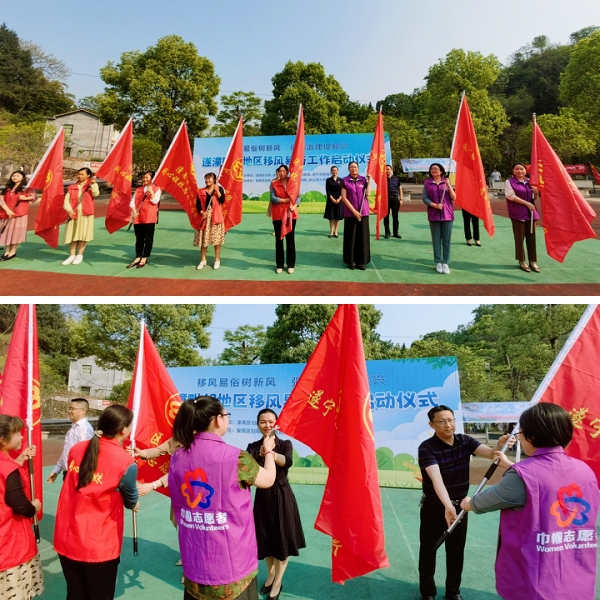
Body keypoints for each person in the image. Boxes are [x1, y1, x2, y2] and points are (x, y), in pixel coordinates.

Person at [461, 402, 599, 600]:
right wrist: (510, 466)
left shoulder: (522, 476)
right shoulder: (585, 470)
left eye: (520, 433)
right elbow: (545, 476)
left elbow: (481, 502)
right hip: (577, 579)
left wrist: (466, 503)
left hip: (537, 582)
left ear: (531, 437)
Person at [169, 396, 276, 600]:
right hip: (232, 569)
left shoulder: (178, 456)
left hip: (194, 564)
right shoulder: (236, 457)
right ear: (218, 419)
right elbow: (269, 479)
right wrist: (269, 450)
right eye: (226, 415)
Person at [418, 405, 512, 600]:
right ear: (431, 424)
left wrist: (499, 444)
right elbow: (436, 479)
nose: (448, 425)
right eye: (442, 421)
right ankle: (428, 593)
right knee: (429, 549)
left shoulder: (465, 441)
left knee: (456, 550)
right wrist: (447, 505)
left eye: (450, 420)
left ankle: (453, 592)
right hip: (435, 506)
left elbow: (491, 453)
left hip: (461, 506)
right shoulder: (427, 447)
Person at [53, 404, 139, 600]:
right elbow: (130, 498)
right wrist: (134, 503)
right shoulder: (125, 462)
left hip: (68, 536)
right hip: (98, 544)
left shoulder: (77, 449)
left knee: (75, 594)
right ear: (123, 429)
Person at [246, 410, 306, 600]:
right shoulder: (253, 447)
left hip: (282, 497)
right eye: (263, 422)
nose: (267, 425)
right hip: (262, 498)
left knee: (282, 541)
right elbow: (250, 470)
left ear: (277, 423)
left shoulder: (285, 444)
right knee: (265, 540)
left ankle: (278, 583)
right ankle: (271, 575)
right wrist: (262, 453)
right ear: (257, 424)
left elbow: (287, 461)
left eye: (271, 421)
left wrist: (270, 452)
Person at [0, 415, 44, 600]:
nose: (21, 437)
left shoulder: (7, 464)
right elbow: (20, 505)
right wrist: (33, 507)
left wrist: (18, 460)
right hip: (9, 542)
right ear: (3, 440)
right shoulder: (8, 469)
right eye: (17, 433)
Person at [47, 398, 94, 484]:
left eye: (72, 409)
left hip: (77, 475)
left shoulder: (85, 429)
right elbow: (66, 451)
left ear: (83, 411)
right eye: (69, 408)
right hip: (68, 473)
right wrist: (57, 470)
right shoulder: (72, 429)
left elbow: (86, 454)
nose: (69, 411)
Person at [505, 163, 540, 273]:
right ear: (513, 170)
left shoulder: (530, 182)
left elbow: (534, 198)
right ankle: (522, 261)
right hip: (518, 214)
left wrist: (536, 192)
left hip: (531, 214)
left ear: (525, 170)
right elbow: (510, 196)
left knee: (532, 238)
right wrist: (526, 203)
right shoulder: (509, 182)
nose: (519, 171)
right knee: (519, 238)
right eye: (517, 169)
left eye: (522, 169)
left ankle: (533, 261)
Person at [422, 163, 456, 274]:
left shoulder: (446, 182)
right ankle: (438, 262)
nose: (434, 170)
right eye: (432, 168)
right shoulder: (427, 183)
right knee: (436, 240)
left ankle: (445, 262)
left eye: (436, 168)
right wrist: (435, 205)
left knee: (446, 240)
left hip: (447, 215)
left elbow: (454, 197)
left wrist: (449, 185)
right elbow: (425, 198)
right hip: (434, 214)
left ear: (441, 171)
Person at [62, 168, 99, 265]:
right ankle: (72, 255)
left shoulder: (91, 185)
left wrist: (93, 184)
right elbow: (66, 199)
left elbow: (96, 194)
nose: (79, 176)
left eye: (82, 174)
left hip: (85, 214)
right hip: (73, 214)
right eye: (78, 174)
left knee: (82, 235)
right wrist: (69, 210)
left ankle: (79, 255)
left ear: (88, 175)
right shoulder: (72, 187)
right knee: (72, 235)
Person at [340, 161, 371, 270]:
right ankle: (351, 261)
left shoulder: (363, 180)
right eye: (351, 167)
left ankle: (361, 261)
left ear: (358, 168)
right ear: (348, 169)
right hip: (350, 213)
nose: (354, 169)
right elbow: (344, 198)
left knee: (362, 237)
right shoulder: (344, 181)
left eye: (355, 167)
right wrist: (354, 211)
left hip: (363, 213)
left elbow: (367, 194)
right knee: (351, 237)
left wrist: (369, 181)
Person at [270, 165, 300, 274]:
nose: (282, 172)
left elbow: (298, 196)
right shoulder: (274, 183)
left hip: (290, 214)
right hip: (278, 214)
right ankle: (280, 265)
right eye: (280, 171)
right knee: (279, 240)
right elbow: (272, 198)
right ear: (278, 172)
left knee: (290, 239)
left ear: (287, 172)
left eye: (284, 171)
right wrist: (284, 200)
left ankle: (291, 265)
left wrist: (295, 205)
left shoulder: (293, 183)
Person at [0, 171, 36, 262]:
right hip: (7, 213)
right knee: (7, 232)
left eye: (17, 176)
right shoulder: (7, 188)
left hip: (20, 214)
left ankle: (12, 252)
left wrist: (25, 198)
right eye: (13, 175)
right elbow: (1, 200)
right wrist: (7, 210)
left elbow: (34, 197)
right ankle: (6, 251)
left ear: (22, 177)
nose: (15, 177)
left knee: (16, 232)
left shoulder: (26, 188)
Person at [127, 171, 161, 269]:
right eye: (144, 177)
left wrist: (152, 193)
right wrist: (134, 211)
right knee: (139, 238)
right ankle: (138, 256)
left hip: (149, 217)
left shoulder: (157, 189)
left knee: (148, 239)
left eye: (147, 177)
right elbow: (132, 201)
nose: (144, 179)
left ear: (152, 179)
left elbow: (155, 201)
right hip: (138, 217)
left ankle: (145, 257)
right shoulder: (139, 189)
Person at [194, 172, 225, 270]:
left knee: (216, 240)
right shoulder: (201, 191)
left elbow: (222, 200)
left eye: (209, 178)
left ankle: (217, 260)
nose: (207, 180)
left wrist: (217, 191)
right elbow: (198, 204)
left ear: (214, 180)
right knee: (204, 240)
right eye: (206, 178)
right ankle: (203, 260)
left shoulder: (219, 189)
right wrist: (201, 212)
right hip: (205, 218)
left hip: (216, 217)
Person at [383, 164, 403, 239]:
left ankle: (396, 232)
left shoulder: (396, 178)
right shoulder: (382, 179)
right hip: (385, 199)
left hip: (395, 199)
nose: (387, 170)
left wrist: (401, 199)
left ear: (391, 170)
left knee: (395, 216)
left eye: (388, 169)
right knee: (386, 216)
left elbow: (400, 188)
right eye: (385, 169)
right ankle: (387, 232)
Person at [323, 165, 343, 238]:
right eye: (333, 170)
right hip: (331, 200)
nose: (334, 171)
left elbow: (342, 191)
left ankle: (336, 232)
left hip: (339, 200)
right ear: (331, 171)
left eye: (335, 170)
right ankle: (331, 232)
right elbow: (328, 190)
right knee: (331, 217)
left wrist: (339, 199)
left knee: (337, 217)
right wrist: (332, 199)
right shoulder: (328, 180)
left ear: (338, 171)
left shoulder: (341, 180)